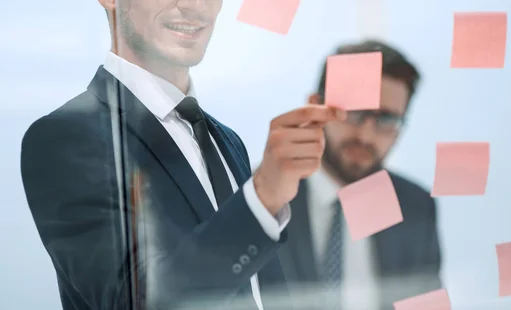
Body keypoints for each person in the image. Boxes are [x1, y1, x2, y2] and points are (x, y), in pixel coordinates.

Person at [19, 0, 345, 309]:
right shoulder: (65, 137)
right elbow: (139, 302)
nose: (194, 5)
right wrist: (261, 200)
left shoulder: (228, 142)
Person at [276, 40, 442, 310]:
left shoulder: (415, 208)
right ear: (317, 109)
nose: (365, 135)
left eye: (386, 120)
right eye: (354, 112)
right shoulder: (265, 197)